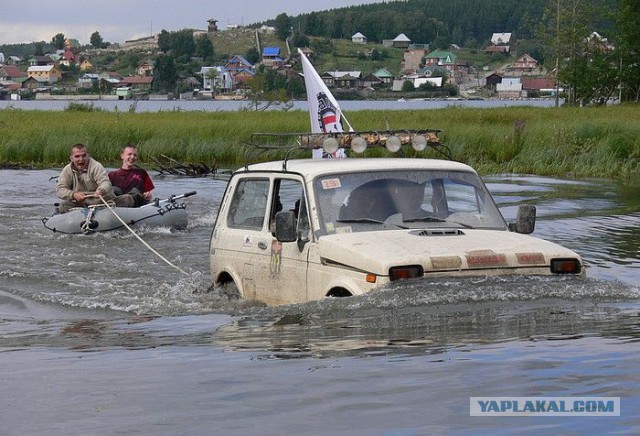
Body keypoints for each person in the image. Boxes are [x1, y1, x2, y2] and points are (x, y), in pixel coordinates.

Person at [56, 143, 132, 213]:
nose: (81, 159)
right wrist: (73, 194)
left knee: (128, 199)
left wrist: (101, 190)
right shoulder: (67, 170)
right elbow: (60, 189)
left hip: (103, 202)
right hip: (81, 204)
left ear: (88, 155)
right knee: (63, 206)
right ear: (71, 158)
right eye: (77, 156)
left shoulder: (96, 166)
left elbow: (106, 182)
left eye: (84, 155)